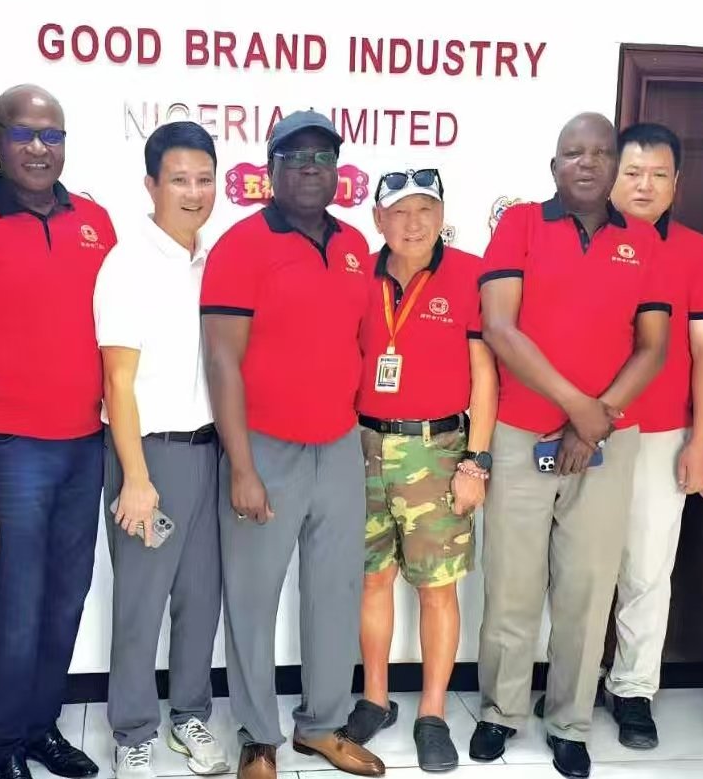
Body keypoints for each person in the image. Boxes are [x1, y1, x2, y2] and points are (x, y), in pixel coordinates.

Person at [472, 111, 671, 779]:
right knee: (513, 582)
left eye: (600, 152)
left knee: (588, 587)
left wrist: (596, 418)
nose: (587, 162)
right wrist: (577, 408)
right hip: (522, 431)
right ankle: (501, 712)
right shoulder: (521, 224)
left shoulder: (642, 241)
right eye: (573, 152)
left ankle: (569, 722)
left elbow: (653, 347)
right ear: (553, 165)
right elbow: (500, 328)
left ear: (615, 165)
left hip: (608, 440)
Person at [0, 84, 115, 779]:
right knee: (15, 601)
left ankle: (42, 727)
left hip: (86, 441)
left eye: (52, 135)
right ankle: (2, 745)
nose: (39, 148)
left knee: (66, 597)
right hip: (8, 447)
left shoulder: (94, 221)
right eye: (23, 133)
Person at [201, 110, 385, 779]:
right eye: (296, 157)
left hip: (337, 445)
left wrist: (361, 430)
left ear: (337, 170)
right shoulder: (241, 245)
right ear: (270, 170)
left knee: (334, 591)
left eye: (322, 157)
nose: (311, 168)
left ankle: (321, 725)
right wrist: (241, 466)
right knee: (252, 599)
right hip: (264, 447)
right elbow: (222, 360)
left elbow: (356, 345)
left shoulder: (355, 245)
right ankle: (258, 736)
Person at [343, 166, 495, 773]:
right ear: (378, 219)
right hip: (362, 448)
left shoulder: (471, 274)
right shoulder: (357, 274)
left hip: (438, 450)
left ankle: (432, 712)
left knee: (437, 588)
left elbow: (485, 375)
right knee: (371, 579)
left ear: (442, 216)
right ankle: (376, 699)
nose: (414, 223)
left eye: (426, 210)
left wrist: (475, 463)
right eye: (400, 212)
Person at [93, 121, 230, 779]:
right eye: (179, 179)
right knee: (141, 604)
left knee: (200, 598)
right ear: (151, 184)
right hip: (150, 456)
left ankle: (190, 715)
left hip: (211, 452)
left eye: (204, 179)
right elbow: (117, 381)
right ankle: (133, 731)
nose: (193, 191)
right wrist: (136, 478)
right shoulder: (127, 265)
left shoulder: (216, 261)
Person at [600, 123, 703, 749]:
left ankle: (632, 689)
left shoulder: (697, 254)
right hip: (580, 432)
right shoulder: (578, 239)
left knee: (648, 568)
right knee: (574, 568)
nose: (644, 186)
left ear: (677, 183)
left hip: (660, 434)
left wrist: (702, 441)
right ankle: (571, 680)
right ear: (610, 176)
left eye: (658, 175)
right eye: (632, 173)